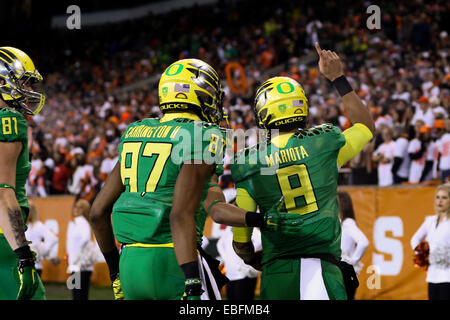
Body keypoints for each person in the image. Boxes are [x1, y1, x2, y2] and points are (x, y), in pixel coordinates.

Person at [89, 58, 300, 300]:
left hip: (130, 265)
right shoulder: (201, 134)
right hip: (175, 262)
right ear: (193, 95)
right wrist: (191, 277)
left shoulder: (135, 132)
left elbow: (97, 212)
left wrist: (115, 272)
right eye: (210, 93)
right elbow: (183, 213)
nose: (215, 101)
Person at [226, 43, 375, 300]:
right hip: (321, 271)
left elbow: (241, 235)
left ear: (263, 114)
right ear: (302, 107)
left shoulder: (247, 161)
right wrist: (338, 78)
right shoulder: (324, 142)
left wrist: (252, 258)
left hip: (276, 273)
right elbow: (365, 125)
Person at [0, 47, 46, 300]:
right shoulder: (8, 119)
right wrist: (24, 256)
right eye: (22, 81)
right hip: (4, 243)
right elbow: (3, 192)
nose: (27, 89)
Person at [410, 184, 450, 300]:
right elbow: (414, 239)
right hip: (432, 276)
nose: (440, 201)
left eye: (444, 197)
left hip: (448, 276)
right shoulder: (430, 221)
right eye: (437, 197)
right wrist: (422, 254)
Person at [66, 199, 101, 300]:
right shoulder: (75, 222)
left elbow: (86, 238)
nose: (76, 209)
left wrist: (76, 252)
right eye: (76, 206)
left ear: (85, 210)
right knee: (77, 293)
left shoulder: (82, 222)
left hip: (81, 265)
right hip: (76, 265)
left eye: (80, 207)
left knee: (79, 294)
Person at [337, 191, 369, 299]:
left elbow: (364, 242)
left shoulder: (348, 223)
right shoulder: (341, 222)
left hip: (344, 273)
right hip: (341, 272)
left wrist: (351, 261)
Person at [25, 201, 59, 277]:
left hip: (35, 267)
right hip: (23, 267)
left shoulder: (38, 225)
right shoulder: (23, 226)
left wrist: (41, 252)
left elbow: (53, 238)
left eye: (28, 210)